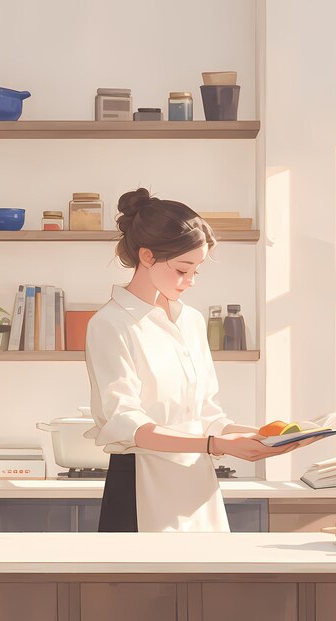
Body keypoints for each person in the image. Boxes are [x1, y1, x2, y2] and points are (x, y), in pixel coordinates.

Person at [84, 188, 316, 532]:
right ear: (146, 256)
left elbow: (206, 415)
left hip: (197, 485)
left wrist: (270, 436)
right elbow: (129, 425)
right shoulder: (110, 324)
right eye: (182, 269)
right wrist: (216, 445)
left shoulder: (190, 321)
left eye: (197, 270)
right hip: (139, 488)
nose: (190, 281)